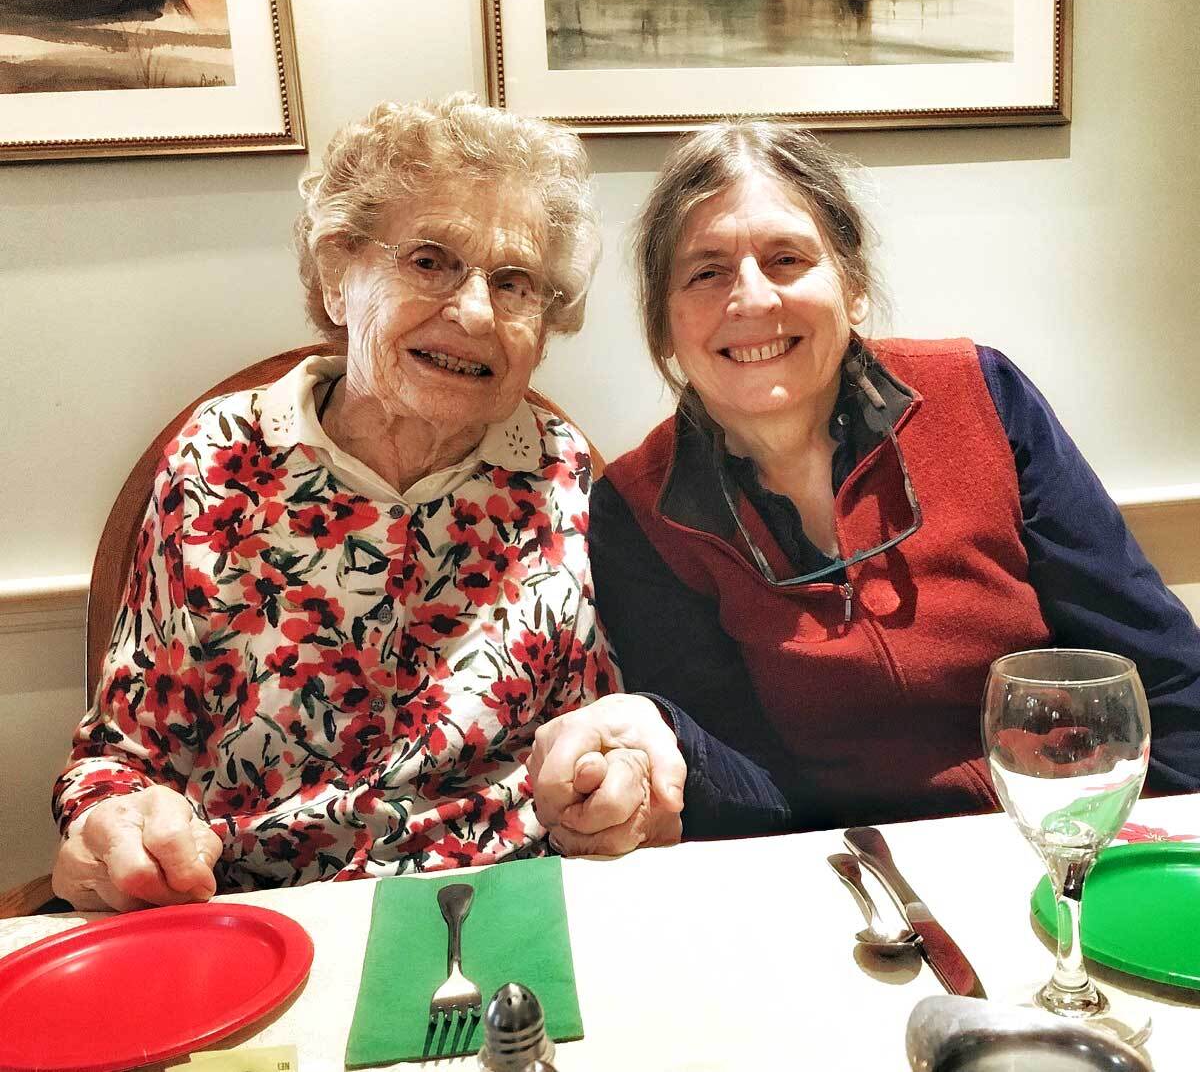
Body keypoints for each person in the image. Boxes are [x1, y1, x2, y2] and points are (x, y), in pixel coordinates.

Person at [50, 93, 665, 911]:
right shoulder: (220, 460)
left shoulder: (560, 473)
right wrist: (113, 826)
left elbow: (602, 725)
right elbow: (121, 755)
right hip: (256, 906)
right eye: (430, 260)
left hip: (511, 900)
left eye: (515, 282)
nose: (476, 310)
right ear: (339, 275)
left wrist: (620, 776)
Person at [529, 120, 1200, 850]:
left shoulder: (984, 395)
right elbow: (749, 799)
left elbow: (1162, 684)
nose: (751, 299)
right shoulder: (637, 509)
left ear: (851, 289)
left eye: (786, 258)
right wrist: (663, 736)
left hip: (1063, 837)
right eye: (706, 272)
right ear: (664, 325)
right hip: (845, 873)